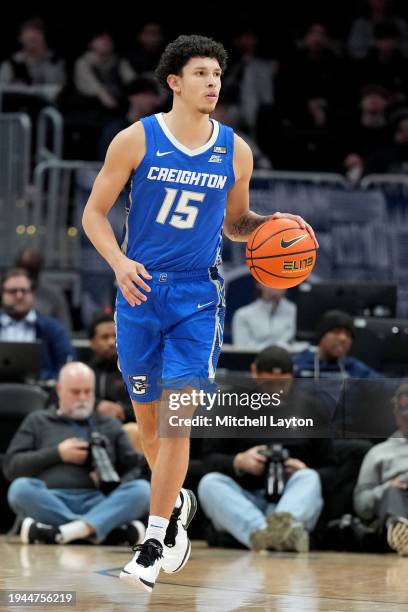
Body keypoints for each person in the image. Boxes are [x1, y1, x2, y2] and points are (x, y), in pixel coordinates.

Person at [82, 33, 316, 592]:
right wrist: (118, 263)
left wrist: (269, 228)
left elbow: (235, 224)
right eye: (202, 73)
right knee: (150, 431)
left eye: (217, 74)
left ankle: (153, 538)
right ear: (175, 82)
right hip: (138, 291)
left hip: (197, 296)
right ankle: (178, 501)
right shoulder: (136, 140)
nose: (213, 82)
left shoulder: (235, 150)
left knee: (178, 417)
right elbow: (93, 214)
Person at [198, 345, 334, 552]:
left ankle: (271, 532)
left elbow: (332, 468)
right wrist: (239, 461)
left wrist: (302, 469)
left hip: (291, 499)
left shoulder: (312, 407)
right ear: (254, 372)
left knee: (309, 479)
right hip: (245, 499)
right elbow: (207, 459)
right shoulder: (229, 403)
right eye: (269, 383)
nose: (276, 390)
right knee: (209, 483)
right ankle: (270, 534)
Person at [4, 362, 150, 547]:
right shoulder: (38, 421)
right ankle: (98, 530)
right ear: (59, 390)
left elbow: (135, 468)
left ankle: (63, 532)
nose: (83, 398)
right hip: (51, 499)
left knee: (142, 490)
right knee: (19, 489)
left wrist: (113, 483)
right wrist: (57, 453)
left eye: (88, 391)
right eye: (75, 392)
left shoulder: (109, 425)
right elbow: (12, 467)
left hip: (100, 501)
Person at [354, 383, 408, 555]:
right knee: (392, 493)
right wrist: (387, 487)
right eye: (405, 416)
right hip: (397, 508)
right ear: (396, 414)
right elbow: (361, 504)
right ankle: (403, 534)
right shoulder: (378, 453)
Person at [0, 268, 74, 380]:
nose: (19, 296)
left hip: (42, 393)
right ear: (2, 294)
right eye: (13, 291)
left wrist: (43, 378)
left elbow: (68, 368)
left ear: (32, 293)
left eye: (24, 291)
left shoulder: (54, 329)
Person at [294, 310, 380, 379]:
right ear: (322, 336)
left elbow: (386, 387)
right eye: (336, 332)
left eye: (348, 335)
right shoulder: (299, 363)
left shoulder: (353, 367)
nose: (343, 339)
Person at [15, 248, 73, 331]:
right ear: (17, 268)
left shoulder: (54, 294)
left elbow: (65, 329)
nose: (28, 275)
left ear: (39, 269)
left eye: (33, 270)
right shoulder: (5, 292)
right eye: (25, 269)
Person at [232, 284, 296, 348]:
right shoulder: (242, 314)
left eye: (281, 281)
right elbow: (241, 346)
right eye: (271, 280)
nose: (276, 285)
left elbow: (298, 344)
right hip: (253, 357)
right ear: (259, 284)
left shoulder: (296, 311)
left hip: (288, 357)